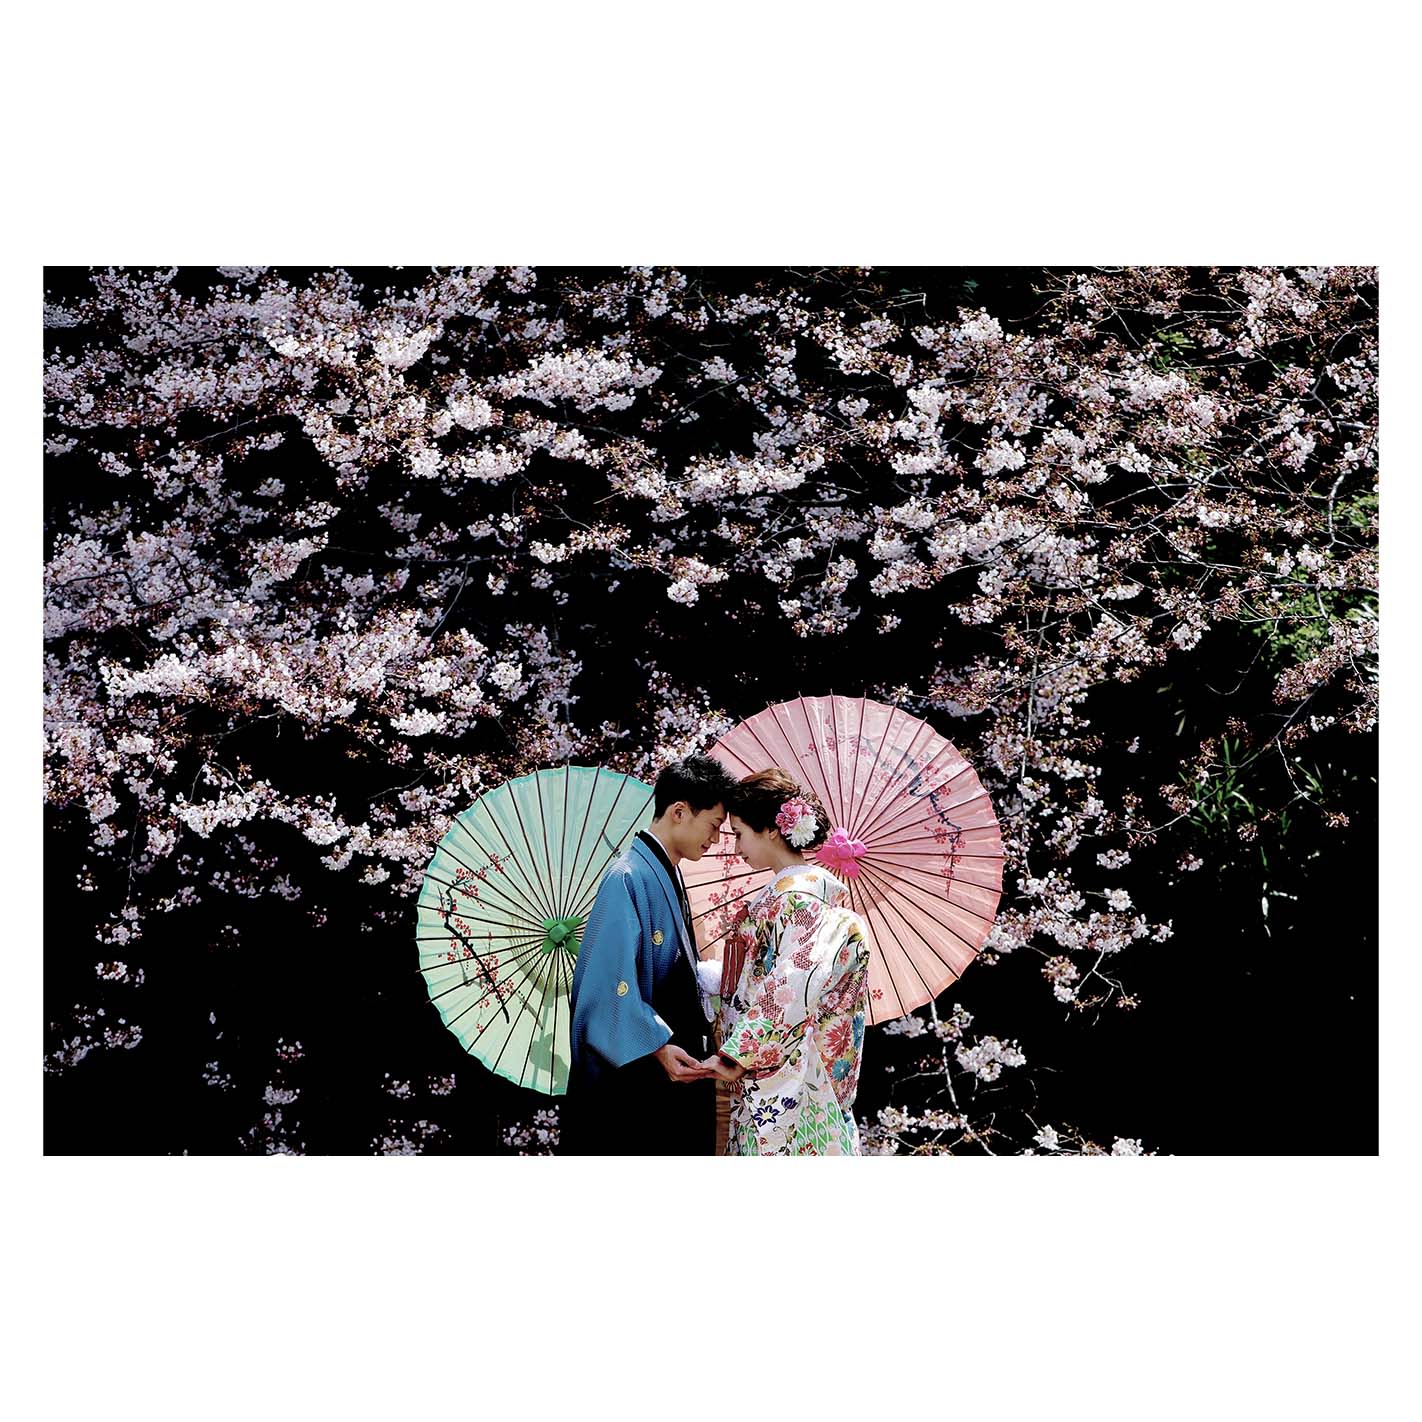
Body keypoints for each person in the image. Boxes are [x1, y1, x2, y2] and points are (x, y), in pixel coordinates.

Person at [564, 753, 739, 1155]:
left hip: (673, 1067)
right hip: (643, 1075)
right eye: (713, 826)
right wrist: (657, 1045)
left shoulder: (664, 871)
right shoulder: (627, 876)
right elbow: (607, 986)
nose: (715, 839)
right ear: (679, 812)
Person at [697, 769, 872, 1155]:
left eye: (739, 833)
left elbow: (793, 984)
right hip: (781, 1073)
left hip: (792, 1081)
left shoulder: (799, 901)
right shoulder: (794, 899)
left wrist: (740, 1053)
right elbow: (766, 979)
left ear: (772, 831)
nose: (737, 847)